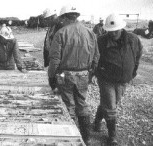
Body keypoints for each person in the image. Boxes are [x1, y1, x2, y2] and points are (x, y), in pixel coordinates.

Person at [48, 6, 100, 145]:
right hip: (84, 74)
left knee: (68, 105)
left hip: (65, 75)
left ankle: (69, 138)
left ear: (65, 17)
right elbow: (96, 56)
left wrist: (51, 76)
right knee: (82, 104)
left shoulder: (61, 33)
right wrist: (91, 72)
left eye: (61, 19)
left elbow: (54, 59)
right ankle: (86, 138)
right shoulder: (90, 32)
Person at [93, 13, 142, 145]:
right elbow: (95, 59)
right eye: (110, 31)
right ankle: (112, 136)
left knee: (110, 103)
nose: (113, 33)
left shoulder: (133, 39)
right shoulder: (101, 41)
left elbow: (137, 56)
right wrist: (94, 73)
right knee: (110, 106)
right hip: (106, 79)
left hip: (123, 80)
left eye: (115, 31)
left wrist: (133, 72)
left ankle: (97, 121)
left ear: (121, 28)